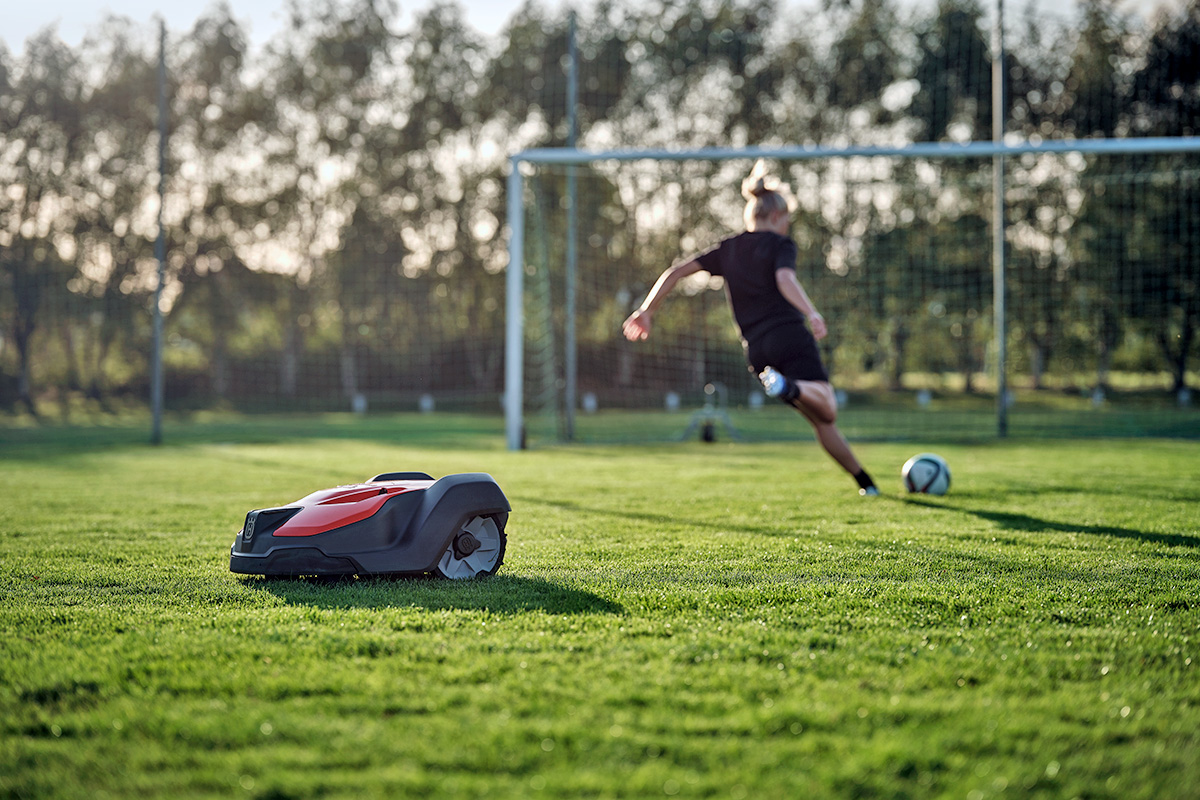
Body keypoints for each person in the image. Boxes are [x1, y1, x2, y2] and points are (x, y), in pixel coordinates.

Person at [622, 161, 879, 496]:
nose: (787, 226)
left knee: (820, 420)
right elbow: (784, 278)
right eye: (787, 220)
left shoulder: (728, 249)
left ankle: (866, 484)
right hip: (789, 335)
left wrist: (647, 310)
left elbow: (675, 272)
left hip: (757, 351)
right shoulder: (779, 245)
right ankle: (790, 386)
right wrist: (811, 311)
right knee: (828, 408)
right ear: (776, 217)